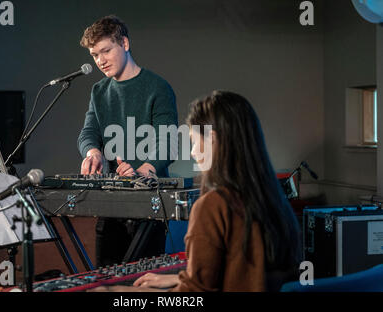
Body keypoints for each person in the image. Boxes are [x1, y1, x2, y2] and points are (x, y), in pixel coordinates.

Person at [90, 90, 302, 292]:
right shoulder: (274, 202)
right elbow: (244, 274)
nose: (193, 152)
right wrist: (180, 278)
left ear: (213, 139)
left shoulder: (214, 204)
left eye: (194, 142)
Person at [77, 15, 178, 267]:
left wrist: (145, 169)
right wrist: (93, 153)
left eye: (105, 51)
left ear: (124, 43)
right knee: (105, 279)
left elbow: (168, 142)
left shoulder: (157, 88)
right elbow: (88, 131)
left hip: (149, 205)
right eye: (94, 55)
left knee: (141, 281)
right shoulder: (99, 91)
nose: (100, 61)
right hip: (112, 202)